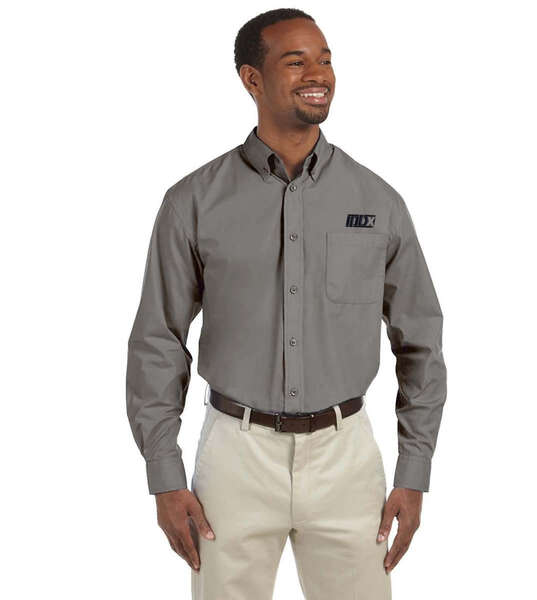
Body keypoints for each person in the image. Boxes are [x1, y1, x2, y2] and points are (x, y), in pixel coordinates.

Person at [126, 8, 447, 599]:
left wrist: (414, 470)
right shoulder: (192, 202)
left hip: (346, 455)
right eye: (296, 61)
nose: (317, 73)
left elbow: (421, 339)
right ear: (252, 79)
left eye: (325, 59)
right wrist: (164, 475)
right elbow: (158, 339)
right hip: (234, 455)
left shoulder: (379, 201)